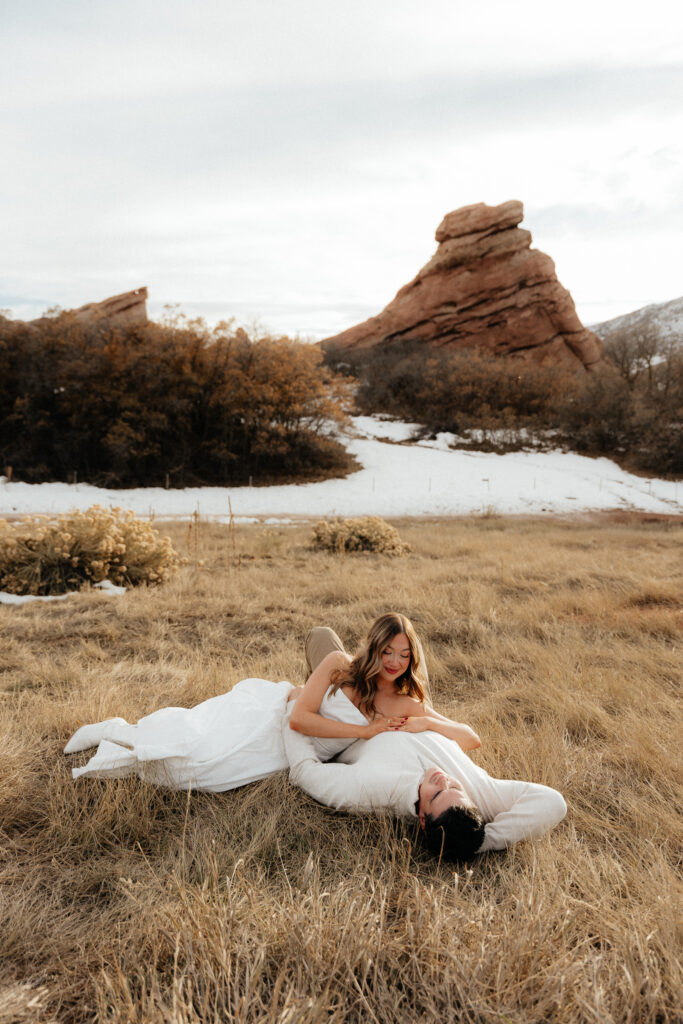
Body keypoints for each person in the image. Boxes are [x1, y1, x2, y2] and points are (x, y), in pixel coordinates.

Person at [62, 612, 441, 791]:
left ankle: (122, 741)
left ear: (413, 658)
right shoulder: (340, 665)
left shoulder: (403, 701)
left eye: (404, 655)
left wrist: (428, 723)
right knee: (195, 742)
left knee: (201, 774)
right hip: (272, 715)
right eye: (388, 651)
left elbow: (466, 733)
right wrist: (365, 730)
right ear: (374, 647)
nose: (394, 662)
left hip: (288, 751)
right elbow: (299, 721)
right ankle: (118, 729)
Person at [283, 628, 567, 860]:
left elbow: (304, 772)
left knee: (321, 636)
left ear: (421, 818)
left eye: (435, 792)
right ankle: (381, 658)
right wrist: (477, 838)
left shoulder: (376, 790)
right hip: (412, 708)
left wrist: (295, 705)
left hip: (351, 711)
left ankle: (328, 676)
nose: (443, 778)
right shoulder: (479, 795)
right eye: (454, 786)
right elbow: (552, 802)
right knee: (406, 639)